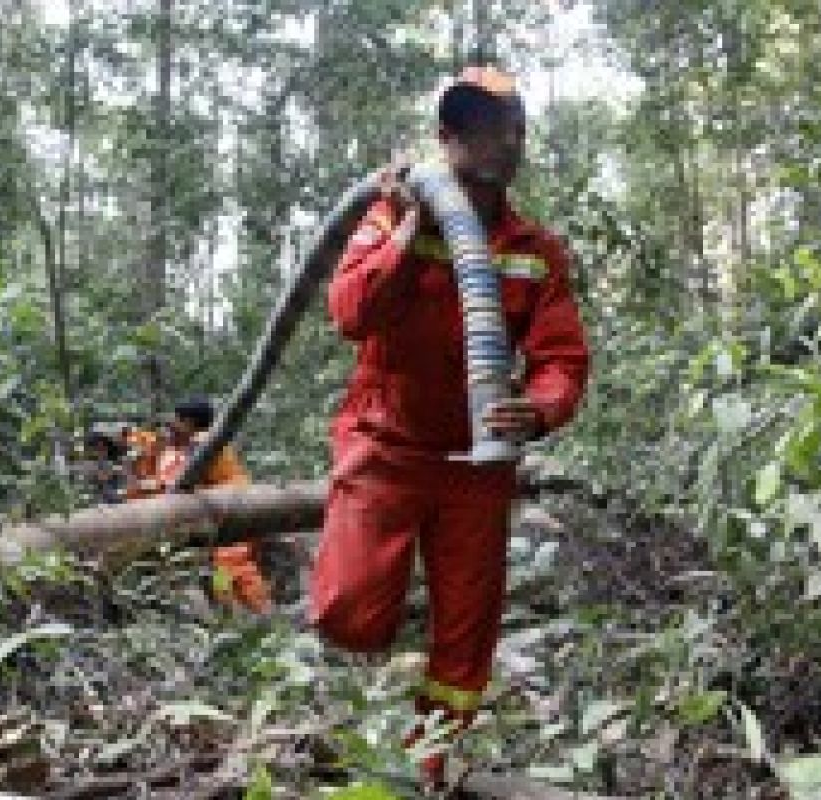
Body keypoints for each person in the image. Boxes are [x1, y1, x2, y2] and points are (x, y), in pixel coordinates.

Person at [308, 65, 591, 788]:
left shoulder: (536, 250)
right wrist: (410, 230)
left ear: (521, 140)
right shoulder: (393, 215)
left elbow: (562, 358)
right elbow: (349, 312)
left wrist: (541, 407)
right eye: (467, 126)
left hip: (477, 461)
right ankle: (352, 714)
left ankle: (425, 765)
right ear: (444, 137)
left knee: (466, 634)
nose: (486, 140)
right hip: (386, 444)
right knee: (349, 613)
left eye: (503, 127)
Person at [153, 397, 274, 615]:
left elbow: (181, 479)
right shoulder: (202, 443)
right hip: (227, 508)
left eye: (177, 420)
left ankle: (262, 612)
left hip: (237, 508)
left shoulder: (202, 442)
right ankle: (232, 611)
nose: (172, 425)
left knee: (234, 564)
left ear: (189, 422)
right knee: (223, 566)